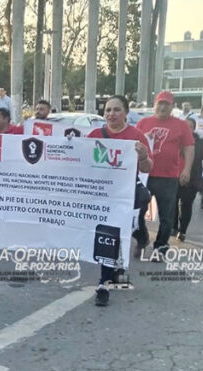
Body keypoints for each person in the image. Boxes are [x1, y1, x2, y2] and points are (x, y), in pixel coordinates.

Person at [87, 95, 153, 306]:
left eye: (116, 110)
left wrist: (142, 156)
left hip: (125, 193)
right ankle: (108, 276)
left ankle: (104, 282)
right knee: (108, 234)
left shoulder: (136, 136)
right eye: (107, 110)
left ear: (125, 113)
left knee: (115, 232)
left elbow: (147, 168)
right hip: (101, 192)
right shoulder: (95, 135)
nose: (111, 114)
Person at [136, 90, 194, 262]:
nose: (162, 106)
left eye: (166, 104)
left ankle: (160, 247)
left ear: (172, 106)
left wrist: (187, 169)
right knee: (137, 212)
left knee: (167, 216)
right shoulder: (143, 122)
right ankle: (142, 238)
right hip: (145, 175)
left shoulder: (181, 125)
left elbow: (189, 148)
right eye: (160, 103)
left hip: (168, 177)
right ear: (155, 104)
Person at [176, 118, 203, 242]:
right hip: (172, 178)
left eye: (190, 127)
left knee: (186, 205)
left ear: (193, 129)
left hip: (192, 179)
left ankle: (182, 230)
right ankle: (172, 227)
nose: (187, 129)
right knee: (171, 205)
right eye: (184, 126)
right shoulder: (173, 140)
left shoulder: (200, 143)